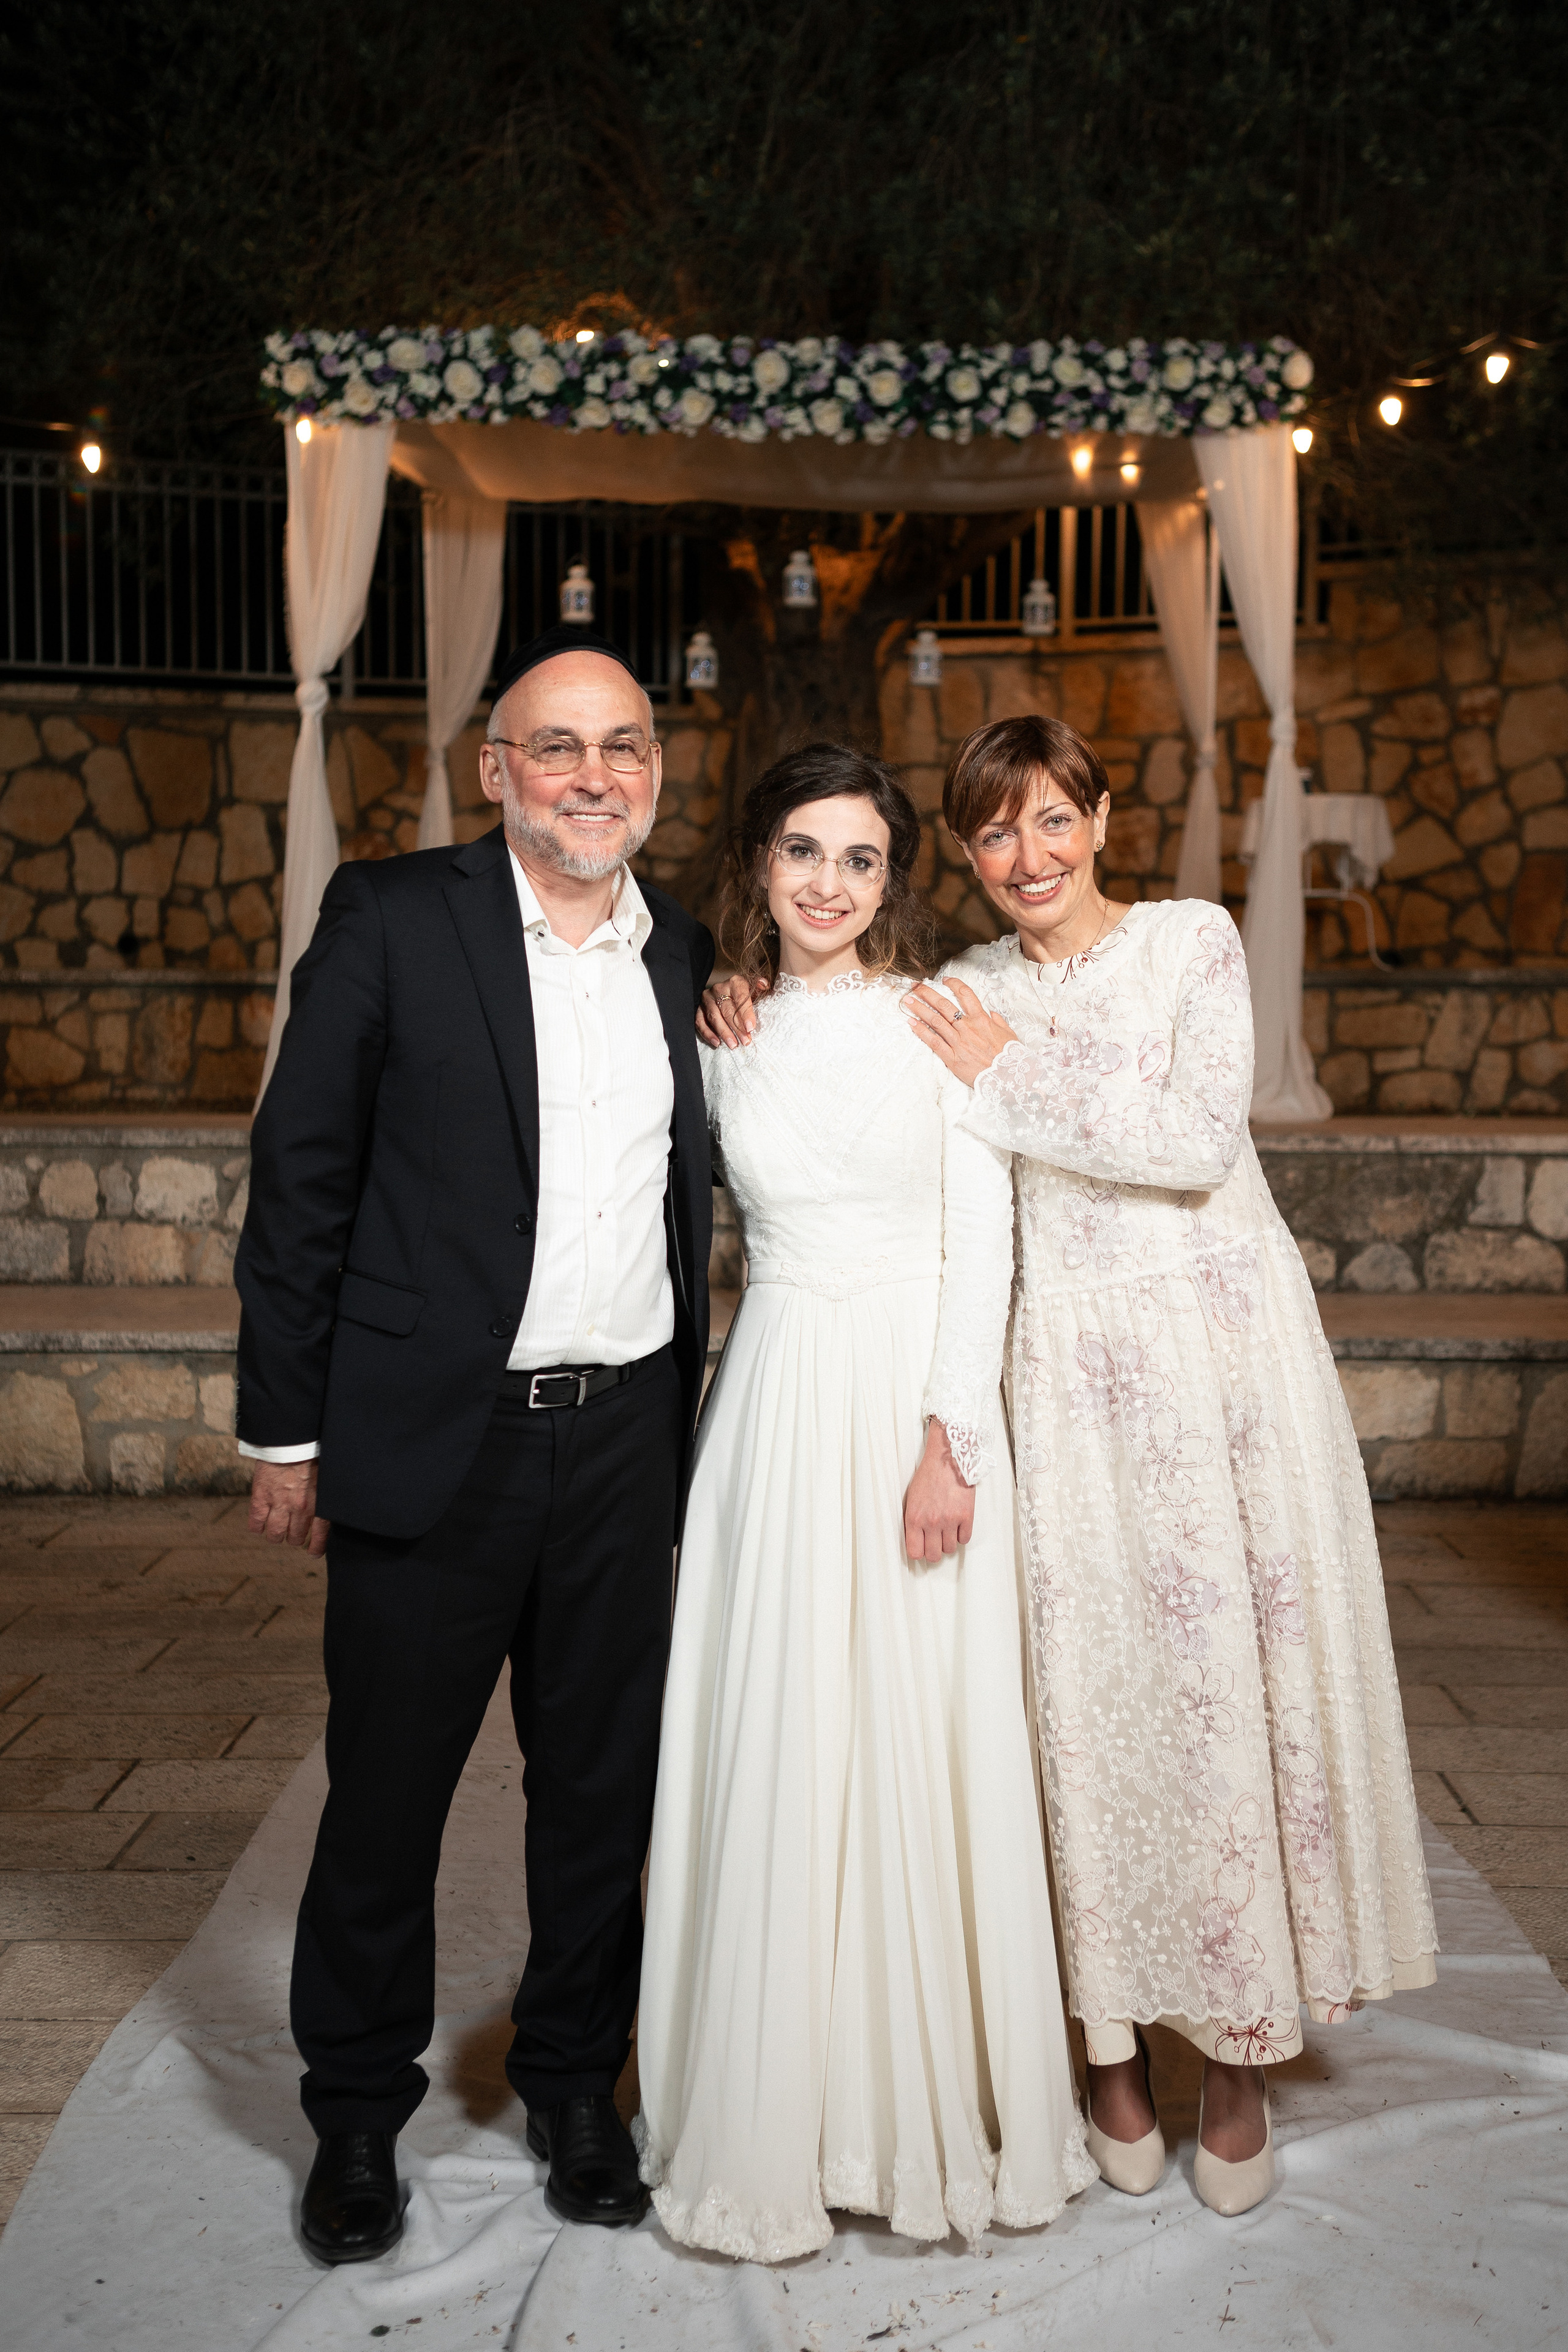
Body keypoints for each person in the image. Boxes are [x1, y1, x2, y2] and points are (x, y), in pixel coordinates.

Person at [902, 714, 1438, 2217]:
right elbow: (967, 1187)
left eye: (1052, 820)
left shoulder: (1192, 942)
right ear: (962, 849)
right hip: (1060, 1376)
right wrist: (745, 995)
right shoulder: (957, 994)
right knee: (1086, 1709)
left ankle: (1243, 2052)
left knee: (1230, 1699)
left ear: (1099, 813)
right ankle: (1110, 2052)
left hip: (1220, 1360)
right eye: (993, 833)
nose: (1027, 857)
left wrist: (1014, 1068)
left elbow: (1198, 1140)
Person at [235, 625, 714, 2262]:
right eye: (560, 746)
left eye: (627, 746)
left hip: (627, 1437)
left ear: (657, 771)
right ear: (496, 770)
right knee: (385, 1795)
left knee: (602, 1793)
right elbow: (301, 1183)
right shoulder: (391, 917)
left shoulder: (686, 951)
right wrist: (285, 1432)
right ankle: (355, 2115)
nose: (598, 775)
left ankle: (580, 2084)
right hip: (434, 1441)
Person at [636, 744, 1096, 2263]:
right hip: (772, 1403)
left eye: (859, 859)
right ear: (757, 867)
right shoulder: (721, 1035)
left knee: (921, 1732)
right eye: (801, 853)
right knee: (781, 1726)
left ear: (892, 883)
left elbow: (986, 1242)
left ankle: (924, 2101)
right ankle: (773, 2105)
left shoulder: (939, 1023)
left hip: (910, 1392)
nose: (828, 884)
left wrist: (949, 1440)